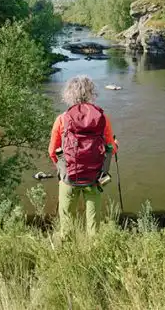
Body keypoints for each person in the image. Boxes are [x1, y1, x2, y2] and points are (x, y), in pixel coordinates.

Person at [48, 75, 118, 238]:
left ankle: (66, 256)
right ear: (91, 93)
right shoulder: (102, 118)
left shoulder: (62, 119)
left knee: (66, 225)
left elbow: (52, 151)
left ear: (68, 95)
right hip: (94, 179)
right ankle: (94, 255)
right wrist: (116, 145)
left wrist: (62, 170)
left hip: (68, 178)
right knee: (94, 227)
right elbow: (110, 149)